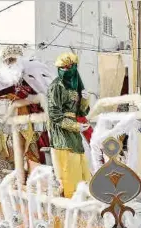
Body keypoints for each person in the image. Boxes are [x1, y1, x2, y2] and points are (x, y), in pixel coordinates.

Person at [47, 52, 92, 198]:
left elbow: (81, 112)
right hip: (61, 133)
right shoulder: (56, 86)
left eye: (68, 67)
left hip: (74, 132)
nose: (65, 71)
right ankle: (71, 202)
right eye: (62, 68)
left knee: (83, 169)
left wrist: (85, 100)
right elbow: (54, 114)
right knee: (70, 171)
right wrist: (74, 126)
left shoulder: (76, 85)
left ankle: (85, 200)